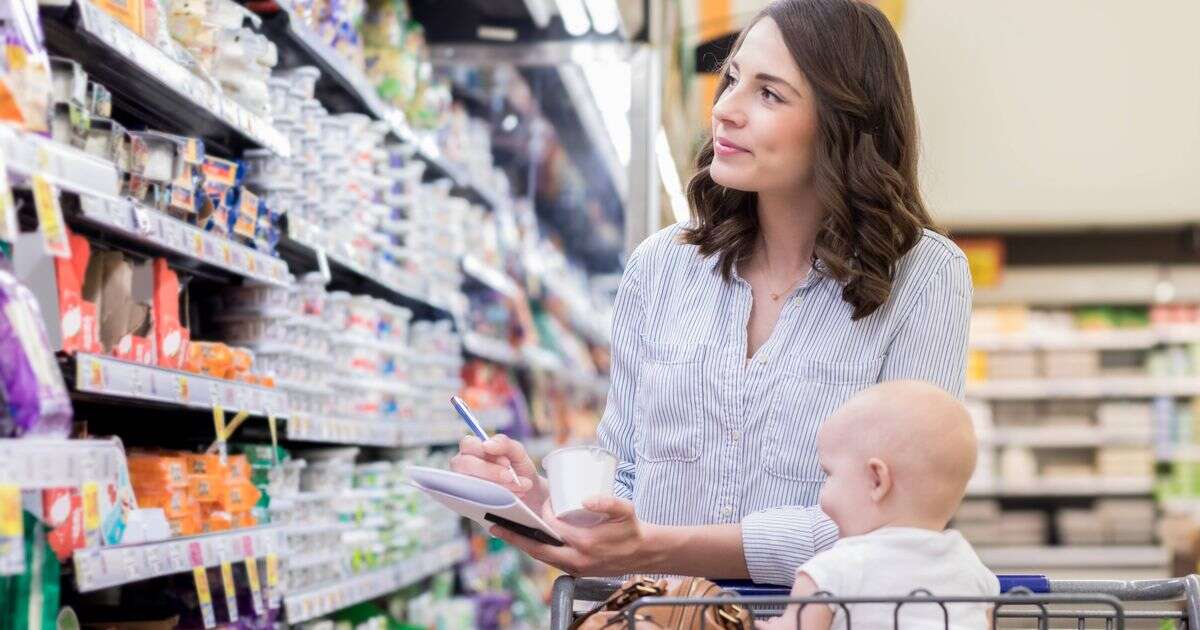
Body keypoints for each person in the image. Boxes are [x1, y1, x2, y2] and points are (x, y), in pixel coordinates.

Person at [451, 0, 974, 585]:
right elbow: (627, 484)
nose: (725, 109)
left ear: (845, 122)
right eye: (731, 80)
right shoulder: (661, 269)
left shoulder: (924, 276)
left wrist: (656, 547)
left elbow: (902, 522)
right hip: (661, 618)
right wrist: (544, 501)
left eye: (769, 93)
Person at [760, 381, 996, 630]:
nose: (823, 492)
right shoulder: (975, 574)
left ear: (877, 480)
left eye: (829, 474)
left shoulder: (829, 573)